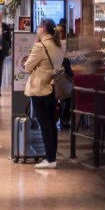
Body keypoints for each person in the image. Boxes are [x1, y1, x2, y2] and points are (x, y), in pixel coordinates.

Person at [24, 19, 65, 169]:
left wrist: (36, 42)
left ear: (43, 29)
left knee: (45, 125)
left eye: (38, 28)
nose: (37, 30)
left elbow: (28, 66)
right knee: (52, 125)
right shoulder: (59, 45)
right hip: (53, 90)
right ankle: (52, 157)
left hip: (40, 90)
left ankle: (50, 159)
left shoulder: (40, 46)